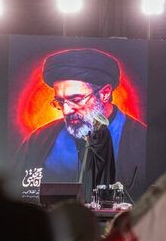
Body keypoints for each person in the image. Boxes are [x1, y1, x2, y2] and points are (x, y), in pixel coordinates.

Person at [14, 48, 146, 201]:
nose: (66, 110)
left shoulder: (142, 140)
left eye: (76, 100)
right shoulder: (39, 140)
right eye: (60, 101)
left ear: (105, 93)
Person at [84, 114, 116, 194]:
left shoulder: (103, 130)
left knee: (100, 181)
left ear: (98, 121)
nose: (92, 122)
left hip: (102, 162)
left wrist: (89, 140)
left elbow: (98, 145)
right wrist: (89, 139)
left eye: (94, 120)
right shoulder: (100, 130)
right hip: (98, 161)